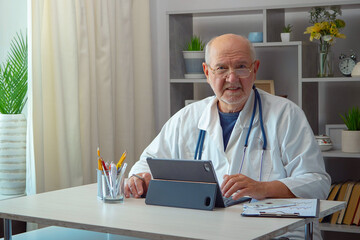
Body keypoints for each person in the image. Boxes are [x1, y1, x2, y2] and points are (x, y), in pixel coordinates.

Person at [125, 34, 330, 239]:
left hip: (277, 233)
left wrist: (263, 189)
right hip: (206, 231)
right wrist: (139, 180)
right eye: (221, 68)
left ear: (255, 69)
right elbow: (146, 164)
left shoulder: (285, 115)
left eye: (241, 67)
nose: (232, 79)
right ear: (207, 72)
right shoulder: (187, 118)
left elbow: (317, 182)